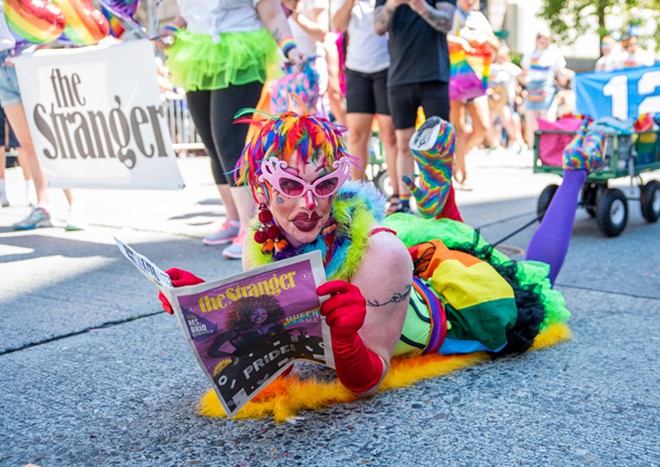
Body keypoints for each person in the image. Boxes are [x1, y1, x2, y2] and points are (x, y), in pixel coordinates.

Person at [157, 108, 601, 398]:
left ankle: (576, 171)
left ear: (338, 185)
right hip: (409, 269)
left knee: (531, 275)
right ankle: (435, 183)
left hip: (447, 304)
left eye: (324, 186)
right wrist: (211, 308)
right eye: (290, 187)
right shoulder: (263, 237)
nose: (309, 205)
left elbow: (370, 379)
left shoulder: (379, 255)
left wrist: (348, 338)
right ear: (259, 189)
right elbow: (277, 360)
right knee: (450, 232)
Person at [156, 0, 303, 260]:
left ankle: (252, 229)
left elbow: (272, 15)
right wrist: (171, 29)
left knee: (229, 142)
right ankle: (233, 220)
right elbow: (186, 16)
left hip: (241, 54)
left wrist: (290, 48)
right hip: (197, 55)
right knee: (211, 142)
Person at [0, 12, 84, 231]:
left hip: (27, 60)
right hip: (2, 67)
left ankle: (75, 207)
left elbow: (54, 20)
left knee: (50, 137)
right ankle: (42, 206)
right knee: (27, 144)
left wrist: (33, 51)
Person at [374, 0, 456, 214]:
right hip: (400, 78)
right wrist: (393, 4)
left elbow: (446, 23)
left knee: (439, 145)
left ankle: (442, 201)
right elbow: (378, 27)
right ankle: (403, 201)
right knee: (403, 142)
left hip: (434, 77)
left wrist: (420, 6)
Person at [333, 0, 399, 212]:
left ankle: (397, 196)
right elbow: (338, 25)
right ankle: (357, 196)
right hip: (356, 71)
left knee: (389, 135)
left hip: (387, 68)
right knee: (356, 135)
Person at [447, 0, 499, 189]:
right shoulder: (450, 12)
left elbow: (496, 43)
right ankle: (463, 174)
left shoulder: (478, 18)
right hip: (454, 75)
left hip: (476, 78)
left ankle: (456, 159)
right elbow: (440, 36)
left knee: (483, 127)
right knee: (458, 128)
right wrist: (462, 40)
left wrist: (484, 38)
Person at [520, 29, 567, 148]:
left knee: (546, 119)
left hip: (547, 88)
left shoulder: (554, 52)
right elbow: (524, 73)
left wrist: (567, 81)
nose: (542, 40)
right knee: (530, 120)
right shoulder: (530, 53)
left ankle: (547, 147)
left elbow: (560, 72)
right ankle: (532, 147)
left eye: (545, 37)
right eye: (539, 37)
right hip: (532, 88)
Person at [486, 42, 525, 152]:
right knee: (488, 121)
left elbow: (523, 77)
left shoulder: (510, 67)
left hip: (505, 100)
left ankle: (519, 142)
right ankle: (494, 144)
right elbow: (486, 82)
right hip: (492, 99)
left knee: (507, 121)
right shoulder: (491, 67)